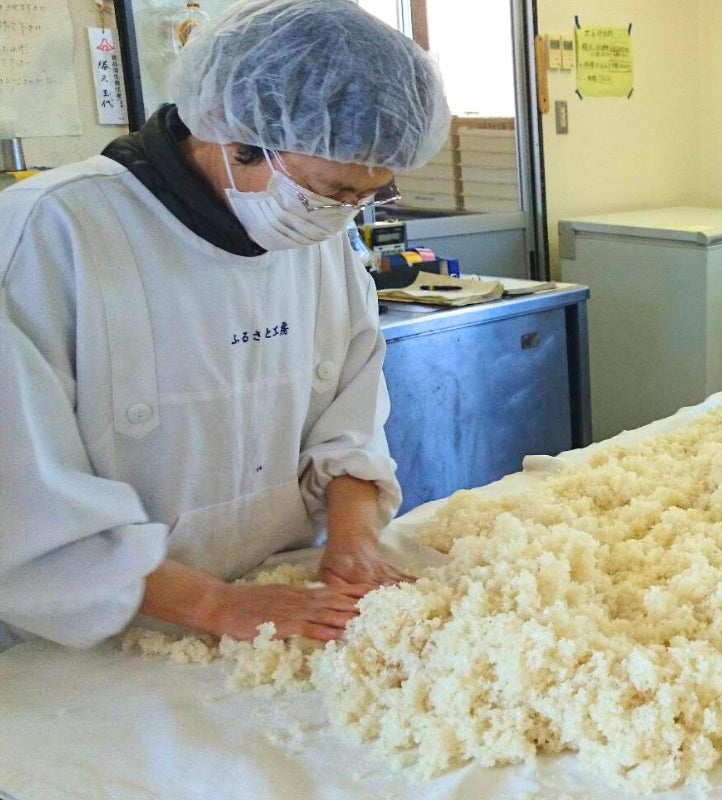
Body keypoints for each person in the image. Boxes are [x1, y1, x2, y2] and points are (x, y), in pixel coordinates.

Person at [0, 0, 450, 649]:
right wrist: (214, 604)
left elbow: (349, 415)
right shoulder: (51, 232)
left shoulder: (317, 238)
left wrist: (353, 540)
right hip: (94, 635)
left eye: (366, 194)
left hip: (278, 599)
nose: (343, 212)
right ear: (239, 136)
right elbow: (21, 500)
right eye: (331, 189)